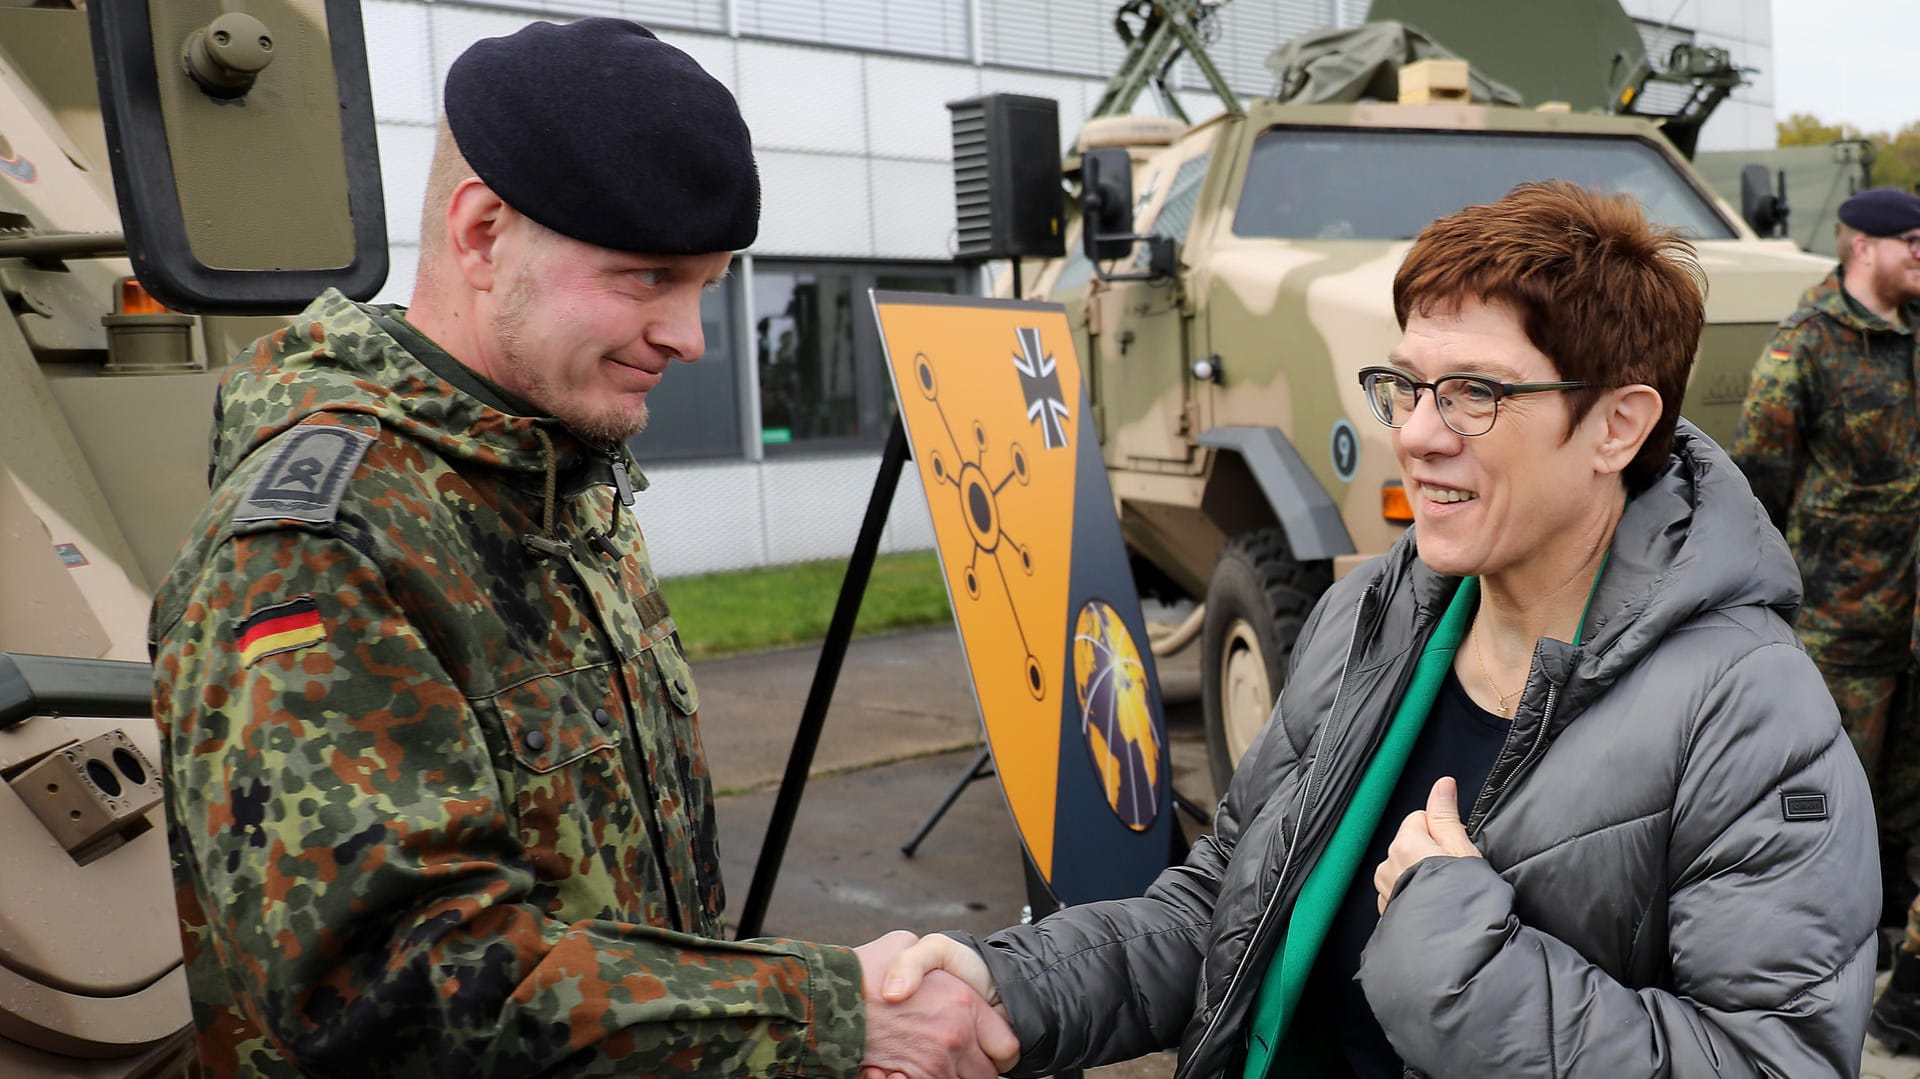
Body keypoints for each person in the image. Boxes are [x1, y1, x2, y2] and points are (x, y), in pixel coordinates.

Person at [147, 19, 1013, 1078]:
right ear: (480, 232)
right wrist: (830, 1016)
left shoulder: (552, 478)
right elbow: (392, 985)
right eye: (647, 277)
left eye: (706, 282)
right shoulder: (315, 546)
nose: (691, 336)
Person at [875, 182, 1878, 1078]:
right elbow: (1226, 906)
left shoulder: (1750, 708)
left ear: (1616, 425)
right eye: (1405, 384)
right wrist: (1005, 987)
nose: (1416, 431)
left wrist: (1457, 961)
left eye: (1475, 392)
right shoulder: (1374, 612)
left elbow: (1771, 1057)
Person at [1729, 186, 1920, 1052]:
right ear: (1863, 249)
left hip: (1914, 626)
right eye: (1910, 242)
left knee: (1906, 812)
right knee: (1833, 809)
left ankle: (1897, 977)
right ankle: (1814, 988)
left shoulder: (1917, 336)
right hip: (1841, 631)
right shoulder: (1804, 348)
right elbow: (1757, 485)